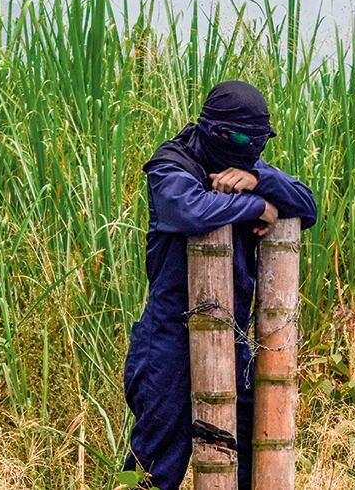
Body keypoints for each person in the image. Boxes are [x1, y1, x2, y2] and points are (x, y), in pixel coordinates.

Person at [123, 80, 317, 489]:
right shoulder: (171, 165)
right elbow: (188, 208)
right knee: (154, 466)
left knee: (250, 451)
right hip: (169, 339)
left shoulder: (249, 168)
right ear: (215, 131)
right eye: (243, 138)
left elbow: (307, 204)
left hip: (230, 338)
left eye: (258, 141)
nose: (251, 147)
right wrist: (259, 205)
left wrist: (258, 181)